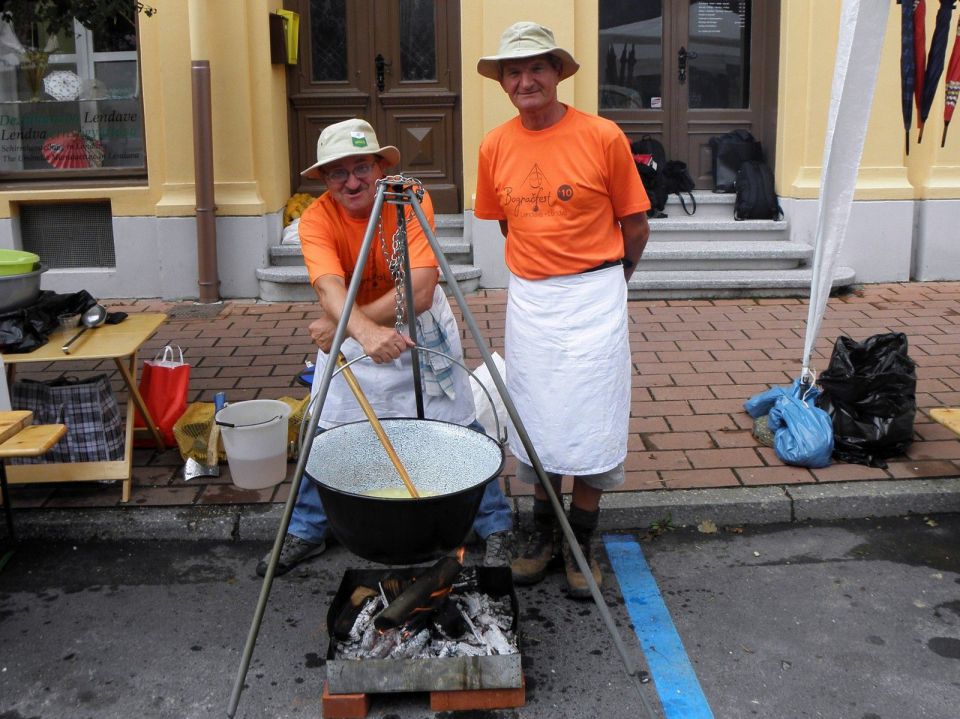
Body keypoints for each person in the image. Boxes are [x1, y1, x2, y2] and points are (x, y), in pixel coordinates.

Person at [257, 118, 514, 576]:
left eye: (361, 167)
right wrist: (362, 332)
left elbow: (419, 288)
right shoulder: (316, 220)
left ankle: (495, 526)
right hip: (353, 332)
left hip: (417, 327)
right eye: (339, 172)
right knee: (328, 428)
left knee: (453, 425)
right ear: (323, 179)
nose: (352, 181)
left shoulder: (408, 200)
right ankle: (305, 529)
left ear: (380, 166)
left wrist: (352, 326)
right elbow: (330, 290)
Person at [474, 22, 650, 598]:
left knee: (594, 418)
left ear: (557, 73)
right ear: (503, 83)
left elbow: (635, 225)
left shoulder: (603, 136)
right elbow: (505, 220)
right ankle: (544, 537)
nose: (526, 80)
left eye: (537, 68)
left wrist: (611, 280)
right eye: (514, 71)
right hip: (532, 299)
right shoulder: (495, 145)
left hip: (595, 295)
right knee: (537, 417)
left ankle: (583, 541)